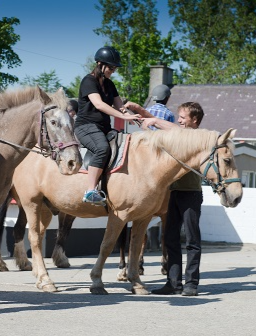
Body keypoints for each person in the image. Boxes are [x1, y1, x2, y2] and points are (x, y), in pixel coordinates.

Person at [141, 102, 205, 297]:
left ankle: (191, 284)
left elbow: (176, 130)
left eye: (183, 117)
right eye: (179, 116)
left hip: (191, 193)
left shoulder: (197, 137)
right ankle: (173, 283)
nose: (179, 120)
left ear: (194, 120)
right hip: (174, 192)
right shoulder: (178, 136)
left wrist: (155, 120)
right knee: (170, 239)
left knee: (192, 241)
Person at [74, 46, 141, 206]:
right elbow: (99, 105)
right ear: (99, 63)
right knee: (102, 148)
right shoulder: (88, 81)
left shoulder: (110, 84)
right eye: (111, 67)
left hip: (103, 128)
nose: (113, 70)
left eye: (115, 68)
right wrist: (123, 116)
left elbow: (119, 105)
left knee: (128, 144)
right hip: (85, 127)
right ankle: (90, 191)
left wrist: (131, 114)